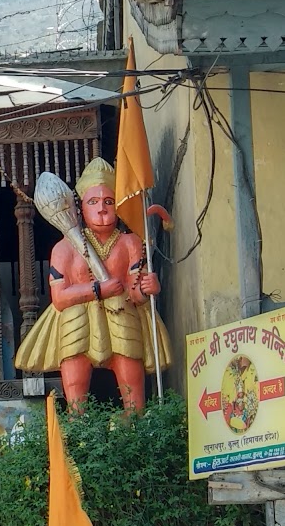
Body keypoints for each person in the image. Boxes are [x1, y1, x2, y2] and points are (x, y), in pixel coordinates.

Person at [15, 158, 171, 410]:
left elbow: (134, 291)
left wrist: (146, 288)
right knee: (75, 382)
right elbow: (60, 298)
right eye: (93, 202)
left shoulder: (130, 242)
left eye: (108, 202)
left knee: (132, 380)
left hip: (121, 315)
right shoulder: (64, 248)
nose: (101, 209)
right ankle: (79, 427)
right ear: (80, 209)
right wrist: (97, 290)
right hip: (78, 321)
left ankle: (136, 422)